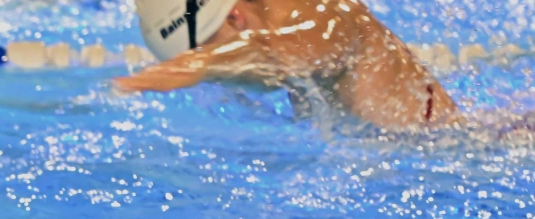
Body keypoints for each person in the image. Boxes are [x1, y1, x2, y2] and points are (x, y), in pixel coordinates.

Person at [113, 0, 459, 130]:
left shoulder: (325, 16)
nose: (223, 73)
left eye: (219, 51)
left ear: (236, 17)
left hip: (440, 156)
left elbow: (282, 53)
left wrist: (202, 63)